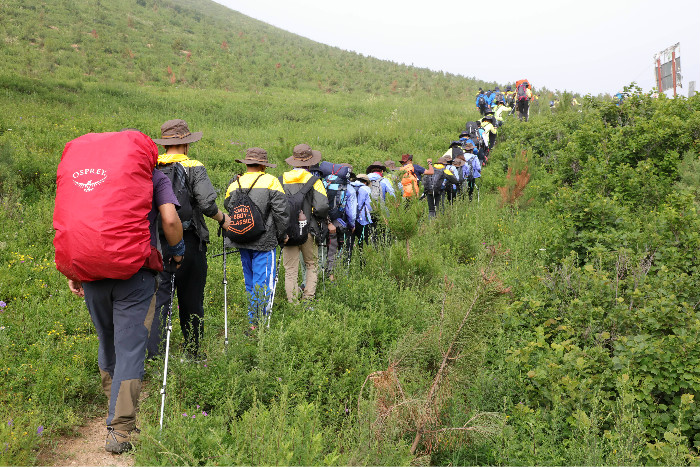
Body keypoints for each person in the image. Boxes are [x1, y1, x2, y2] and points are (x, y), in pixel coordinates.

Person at [65, 130, 185, 454]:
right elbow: (170, 220)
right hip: (136, 274)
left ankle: (115, 407)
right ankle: (120, 430)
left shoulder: (87, 177)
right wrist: (178, 250)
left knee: (107, 340)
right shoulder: (155, 176)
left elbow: (70, 219)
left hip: (90, 270)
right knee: (131, 347)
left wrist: (73, 270)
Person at [148, 119, 228, 362]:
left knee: (159, 298)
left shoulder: (152, 167)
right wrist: (222, 218)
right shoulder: (194, 166)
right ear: (185, 144)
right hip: (189, 239)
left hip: (157, 242)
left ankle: (155, 355)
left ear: (164, 144)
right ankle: (192, 352)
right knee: (192, 298)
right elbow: (205, 203)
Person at [223, 147, 289, 331]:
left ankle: (253, 320)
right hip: (264, 240)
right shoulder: (271, 181)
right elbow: (281, 212)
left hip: (242, 238)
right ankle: (258, 325)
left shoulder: (236, 182)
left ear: (247, 163)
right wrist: (282, 235)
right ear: (263, 165)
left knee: (250, 281)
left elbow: (228, 205)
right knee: (263, 282)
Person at [281, 144, 329, 303]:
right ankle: (308, 299)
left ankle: (293, 303)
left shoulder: (281, 180)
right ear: (310, 162)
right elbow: (322, 206)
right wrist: (313, 212)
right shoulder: (314, 181)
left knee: (290, 270)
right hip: (309, 229)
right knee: (311, 264)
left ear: (293, 161)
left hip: (288, 232)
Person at [346, 173, 373, 263]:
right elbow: (370, 207)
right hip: (363, 221)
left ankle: (347, 264)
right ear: (365, 182)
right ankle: (363, 264)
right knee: (363, 244)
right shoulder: (366, 189)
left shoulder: (348, 187)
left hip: (349, 221)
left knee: (348, 245)